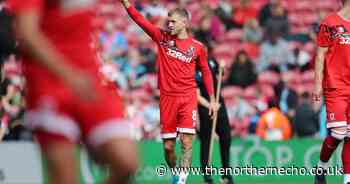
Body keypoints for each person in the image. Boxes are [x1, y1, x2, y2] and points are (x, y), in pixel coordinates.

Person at [8, 0, 138, 184]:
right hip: (49, 83)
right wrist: (69, 75)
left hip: (90, 80)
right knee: (65, 179)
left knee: (126, 163)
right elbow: (27, 32)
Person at [120, 0, 217, 183]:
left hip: (188, 97)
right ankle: (175, 173)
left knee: (187, 142)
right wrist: (127, 4)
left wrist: (211, 98)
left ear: (184, 23)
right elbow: (140, 20)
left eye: (173, 21)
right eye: (168, 21)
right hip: (167, 99)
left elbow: (206, 71)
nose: (169, 24)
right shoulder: (162, 37)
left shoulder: (197, 47)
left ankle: (182, 180)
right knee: (168, 147)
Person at [313, 0, 350, 183]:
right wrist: (317, 85)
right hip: (336, 86)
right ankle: (321, 168)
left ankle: (348, 178)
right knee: (338, 133)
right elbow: (320, 55)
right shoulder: (330, 23)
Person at [196, 49, 234, 184]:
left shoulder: (211, 61)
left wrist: (222, 69)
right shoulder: (193, 69)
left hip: (219, 103)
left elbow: (220, 73)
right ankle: (207, 176)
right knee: (206, 140)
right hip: (206, 107)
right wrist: (209, 105)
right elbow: (196, 95)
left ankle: (226, 174)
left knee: (226, 137)